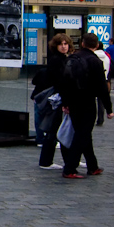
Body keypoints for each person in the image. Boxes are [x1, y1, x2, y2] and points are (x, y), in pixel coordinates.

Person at [59, 32, 113, 179]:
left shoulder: (72, 58)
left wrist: (66, 102)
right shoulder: (95, 61)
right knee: (82, 135)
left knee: (83, 133)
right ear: (96, 45)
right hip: (87, 102)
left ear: (82, 43)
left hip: (73, 102)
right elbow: (102, 87)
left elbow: (64, 82)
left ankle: (92, 165)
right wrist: (108, 108)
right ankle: (70, 168)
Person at [37, 34, 73, 169]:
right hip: (57, 99)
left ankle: (66, 159)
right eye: (61, 44)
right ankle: (46, 161)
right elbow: (60, 81)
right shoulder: (56, 60)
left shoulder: (63, 59)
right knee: (53, 129)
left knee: (57, 129)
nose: (64, 47)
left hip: (60, 97)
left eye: (65, 44)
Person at [94, 42, 111, 126]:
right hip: (104, 80)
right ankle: (101, 119)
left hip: (93, 81)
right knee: (101, 101)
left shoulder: (93, 55)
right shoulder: (106, 57)